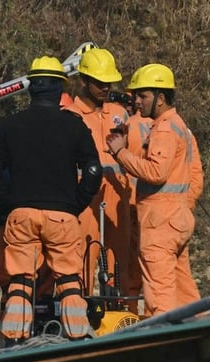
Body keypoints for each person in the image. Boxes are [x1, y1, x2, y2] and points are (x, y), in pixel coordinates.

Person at [0, 56, 102, 346]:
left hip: (21, 215)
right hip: (63, 217)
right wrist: (77, 202)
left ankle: (13, 339)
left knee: (21, 280)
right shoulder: (74, 125)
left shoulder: (11, 125)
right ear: (60, 88)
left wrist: (9, 202)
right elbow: (93, 169)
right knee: (69, 279)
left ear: (31, 88)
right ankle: (78, 336)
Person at [106, 64, 201, 315]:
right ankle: (202, 338)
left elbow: (156, 172)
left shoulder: (165, 128)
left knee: (160, 297)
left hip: (161, 222)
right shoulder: (177, 125)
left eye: (143, 95)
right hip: (176, 217)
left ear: (160, 98)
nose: (136, 101)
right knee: (184, 292)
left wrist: (120, 152)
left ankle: (166, 348)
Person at [64, 48, 133, 300]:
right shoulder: (71, 116)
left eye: (108, 82)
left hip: (117, 194)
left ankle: (121, 317)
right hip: (85, 197)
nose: (105, 87)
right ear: (84, 81)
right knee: (83, 258)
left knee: (119, 261)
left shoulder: (120, 113)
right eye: (99, 82)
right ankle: (81, 315)